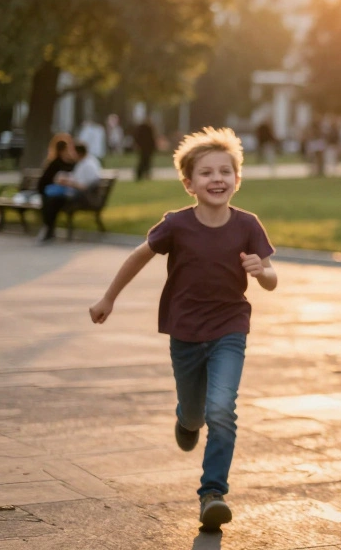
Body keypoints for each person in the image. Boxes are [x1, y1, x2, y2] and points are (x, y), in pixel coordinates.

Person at [87, 127, 277, 531]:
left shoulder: (247, 225)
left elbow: (271, 276)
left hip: (230, 328)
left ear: (237, 179)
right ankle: (186, 421)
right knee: (195, 413)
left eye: (225, 171)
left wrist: (263, 273)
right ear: (189, 183)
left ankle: (213, 494)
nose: (217, 179)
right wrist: (108, 298)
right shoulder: (176, 225)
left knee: (221, 409)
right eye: (206, 173)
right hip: (186, 332)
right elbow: (139, 257)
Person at [38, 142, 103, 242]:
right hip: (78, 194)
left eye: (73, 152)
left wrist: (68, 183)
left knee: (52, 200)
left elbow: (84, 187)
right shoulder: (85, 162)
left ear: (78, 153)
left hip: (84, 197)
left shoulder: (87, 165)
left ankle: (48, 229)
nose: (71, 154)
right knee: (50, 199)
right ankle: (48, 228)